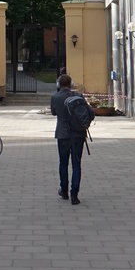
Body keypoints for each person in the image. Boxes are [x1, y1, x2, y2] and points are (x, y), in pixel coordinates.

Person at [50, 72, 85, 205]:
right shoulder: (78, 96)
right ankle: (74, 194)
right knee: (77, 165)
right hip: (78, 135)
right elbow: (90, 113)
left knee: (63, 163)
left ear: (58, 84)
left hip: (63, 135)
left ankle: (64, 191)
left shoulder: (55, 97)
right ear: (71, 84)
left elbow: (53, 112)